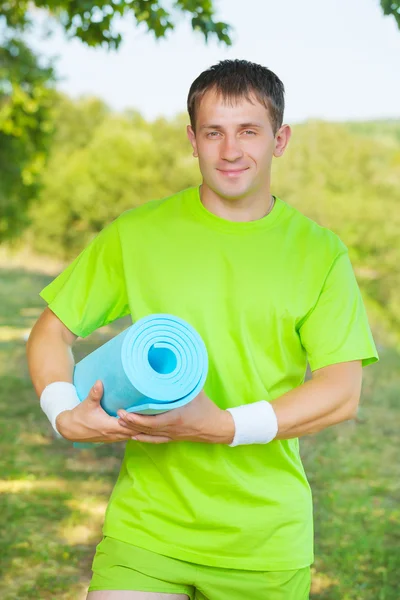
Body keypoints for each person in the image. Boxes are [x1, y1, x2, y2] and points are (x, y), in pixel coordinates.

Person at [27, 59, 379, 600]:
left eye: (249, 132)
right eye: (214, 132)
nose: (231, 151)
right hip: (147, 530)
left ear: (280, 140)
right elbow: (51, 331)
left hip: (264, 542)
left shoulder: (320, 253)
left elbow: (341, 392)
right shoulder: (138, 232)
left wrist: (223, 426)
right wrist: (60, 411)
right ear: (192, 139)